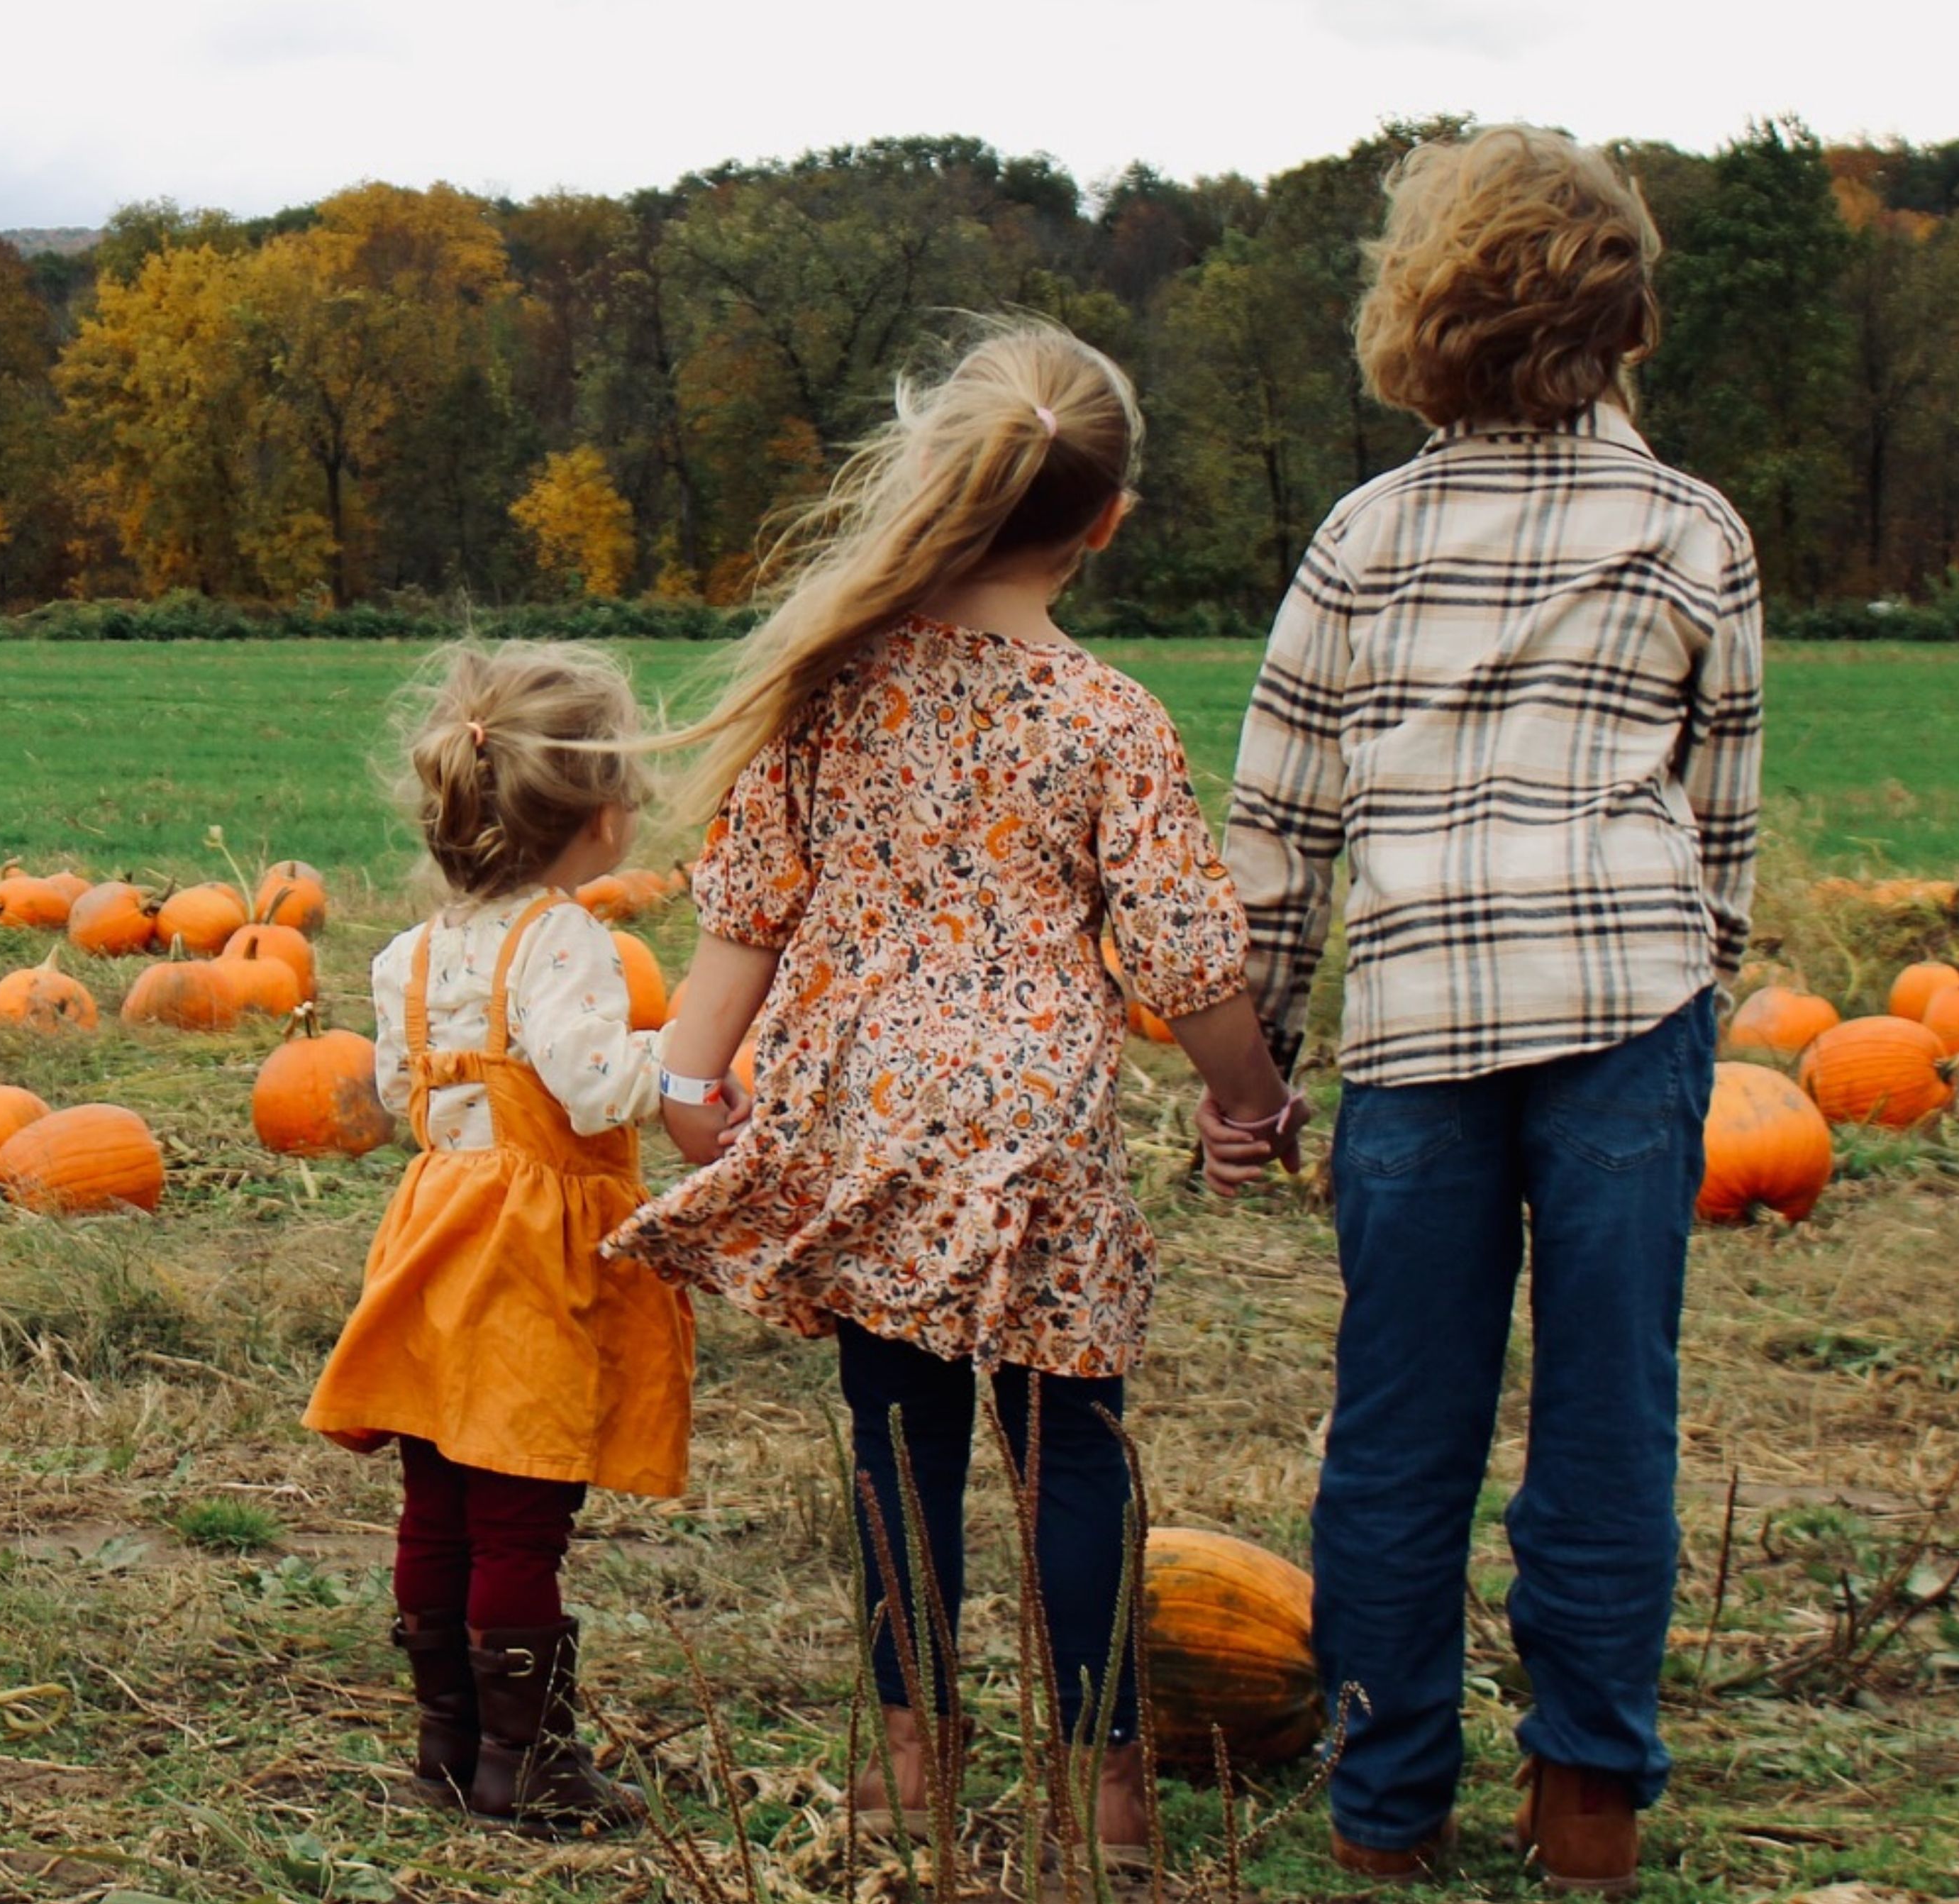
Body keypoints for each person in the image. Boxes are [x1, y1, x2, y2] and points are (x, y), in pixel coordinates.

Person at [604, 319, 1304, 1870]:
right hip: (1034, 1123)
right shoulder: (1105, 715)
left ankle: (901, 1769)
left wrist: (685, 1074)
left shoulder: (836, 680)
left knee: (893, 1438)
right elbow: (1183, 958)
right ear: (1103, 521)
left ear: (938, 485)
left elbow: (746, 906)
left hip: (864, 1105)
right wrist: (1244, 1101)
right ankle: (1105, 1799)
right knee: (1071, 1449)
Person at [1220, 126, 1763, 1893]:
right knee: (1607, 1416)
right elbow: (1718, 821)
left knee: (1397, 1423)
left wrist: (1257, 1065)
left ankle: (1386, 1814)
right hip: (1628, 1005)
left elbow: (1279, 832)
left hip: (1423, 1025)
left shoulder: (1361, 536)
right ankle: (1587, 1803)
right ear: (1623, 316)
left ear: (1417, 310)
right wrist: (1701, 985)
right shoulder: (1693, 530)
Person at [301, 641, 707, 1839]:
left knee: (437, 1495)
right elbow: (590, 1087)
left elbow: (395, 1091)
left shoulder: (406, 954)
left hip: (434, 1235)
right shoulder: (564, 937)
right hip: (530, 1253)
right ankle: (524, 1764)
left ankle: (446, 1744)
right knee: (523, 1507)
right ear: (596, 816)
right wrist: (682, 1069)